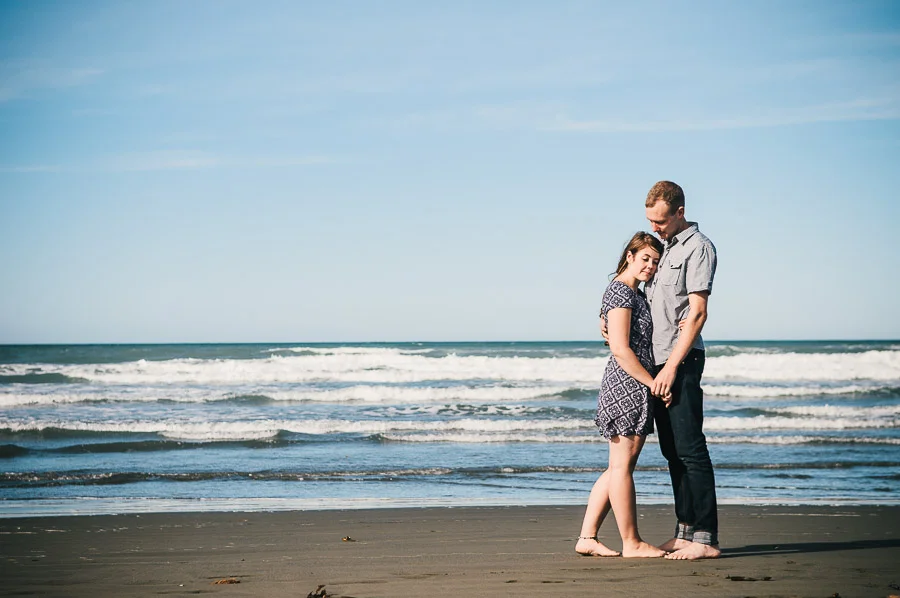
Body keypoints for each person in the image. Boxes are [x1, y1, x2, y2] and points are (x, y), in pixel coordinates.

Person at [575, 232, 667, 559]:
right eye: (645, 259)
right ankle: (632, 542)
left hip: (632, 383)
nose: (650, 266)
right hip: (628, 384)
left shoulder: (633, 293)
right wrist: (653, 383)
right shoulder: (620, 291)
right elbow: (619, 348)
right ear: (629, 255)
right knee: (622, 468)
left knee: (618, 467)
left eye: (655, 262)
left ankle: (587, 537)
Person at [643, 180, 720, 560]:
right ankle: (685, 531)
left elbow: (698, 312)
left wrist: (672, 366)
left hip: (682, 361)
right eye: (650, 221)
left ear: (679, 212)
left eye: (660, 220)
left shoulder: (699, 248)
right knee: (672, 452)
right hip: (657, 363)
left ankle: (706, 540)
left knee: (691, 449)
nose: (655, 227)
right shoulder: (664, 249)